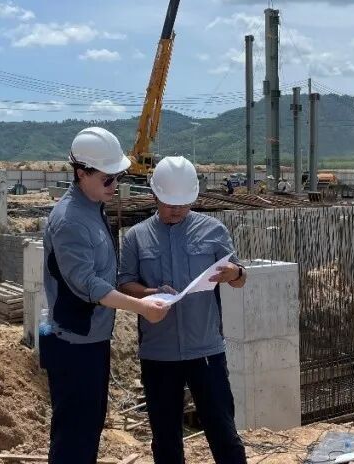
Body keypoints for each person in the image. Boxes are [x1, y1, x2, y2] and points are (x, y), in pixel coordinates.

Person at [40, 127, 168, 464]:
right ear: (81, 173)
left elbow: (103, 274)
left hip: (92, 338)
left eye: (118, 177)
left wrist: (145, 292)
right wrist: (140, 306)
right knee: (74, 435)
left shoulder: (93, 205)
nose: (115, 185)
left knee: (89, 426)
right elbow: (88, 284)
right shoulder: (70, 220)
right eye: (108, 178)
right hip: (73, 343)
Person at [119, 156, 248, 464]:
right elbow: (124, 284)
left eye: (183, 203)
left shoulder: (213, 230)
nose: (176, 210)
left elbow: (238, 277)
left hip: (206, 351)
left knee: (223, 432)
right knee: (165, 439)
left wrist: (235, 273)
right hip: (158, 353)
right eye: (169, 203)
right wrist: (150, 294)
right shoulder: (136, 237)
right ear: (154, 195)